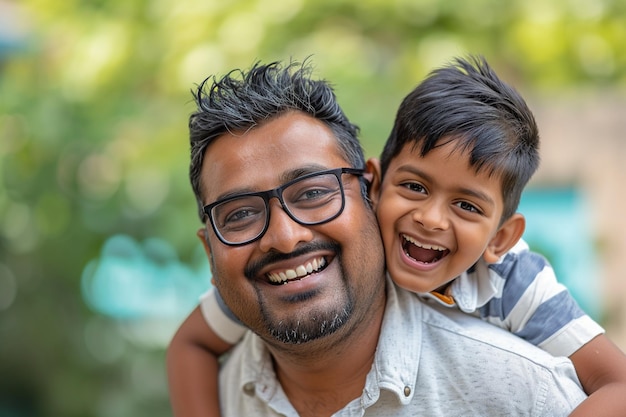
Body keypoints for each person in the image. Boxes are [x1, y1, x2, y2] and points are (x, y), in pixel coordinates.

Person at [167, 57, 588, 416]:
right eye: (239, 214)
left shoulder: (527, 394)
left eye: (313, 192)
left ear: (370, 189)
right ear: (210, 251)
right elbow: (188, 346)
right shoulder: (220, 395)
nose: (284, 237)